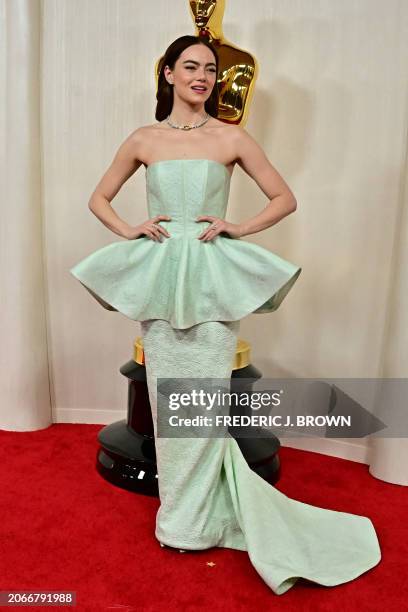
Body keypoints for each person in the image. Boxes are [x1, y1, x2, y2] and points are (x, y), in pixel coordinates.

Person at [70, 35, 381, 596]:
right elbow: (99, 198)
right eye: (190, 67)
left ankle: (198, 519)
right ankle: (182, 519)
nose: (202, 76)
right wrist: (130, 229)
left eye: (210, 69)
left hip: (211, 282)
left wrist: (238, 227)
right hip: (165, 279)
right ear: (167, 73)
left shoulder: (232, 136)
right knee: (171, 403)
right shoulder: (143, 138)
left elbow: (283, 197)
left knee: (202, 404)